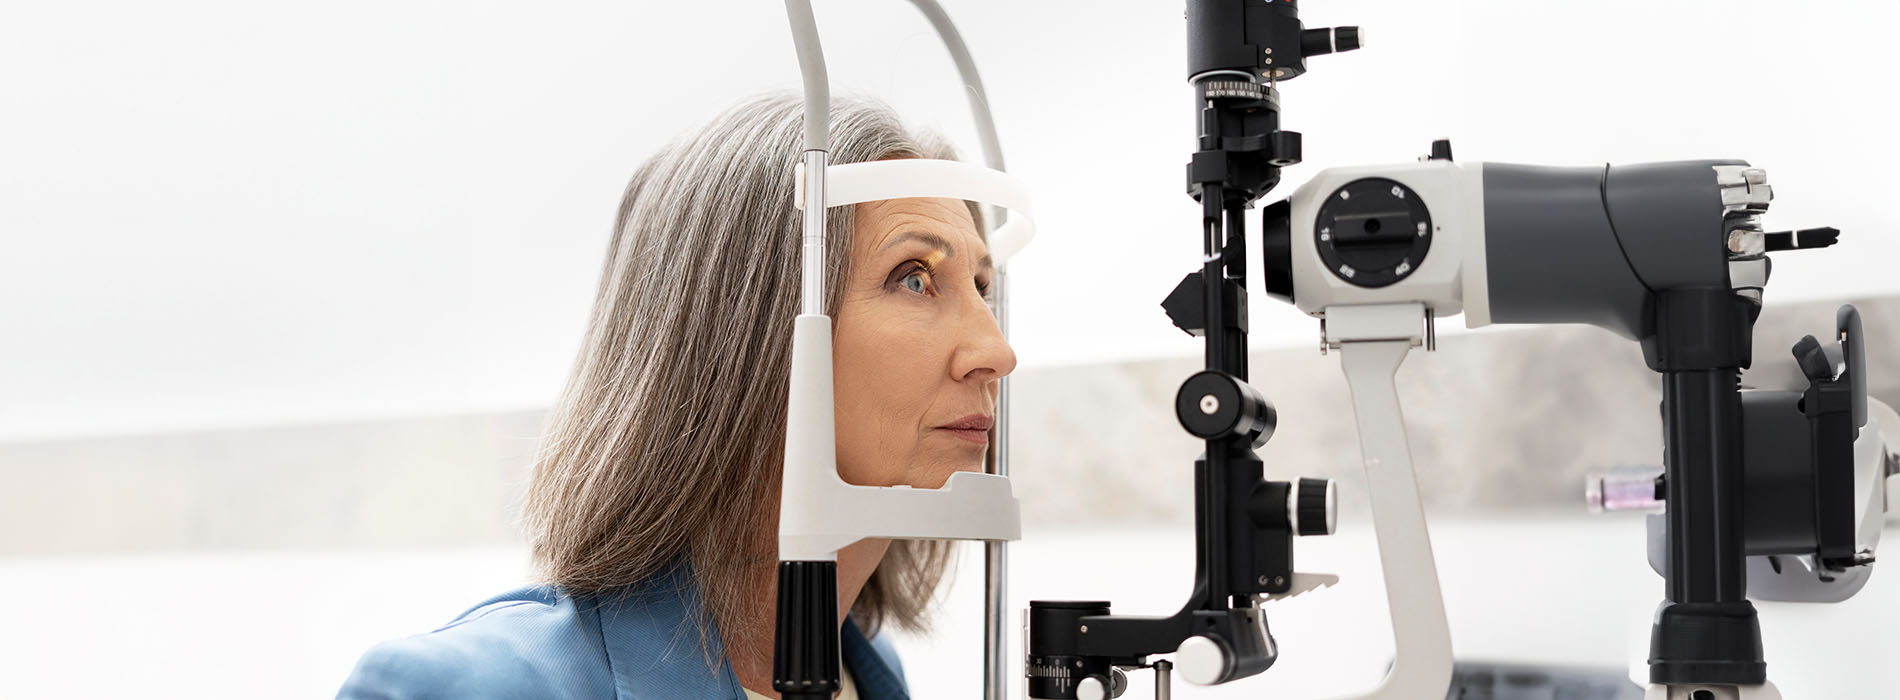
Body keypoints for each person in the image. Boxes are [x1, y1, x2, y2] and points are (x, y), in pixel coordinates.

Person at [335, 92, 1016, 700]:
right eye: (914, 278)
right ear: (741, 323)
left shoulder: (868, 676)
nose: (996, 352)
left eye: (981, 287)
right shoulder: (455, 691)